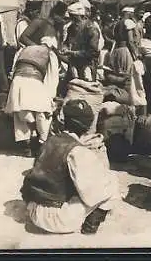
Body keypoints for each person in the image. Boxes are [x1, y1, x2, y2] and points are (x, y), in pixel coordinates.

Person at [20, 99, 120, 234]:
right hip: (56, 219)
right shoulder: (77, 151)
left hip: (34, 210)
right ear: (87, 126)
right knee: (112, 183)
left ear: (64, 120)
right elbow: (91, 195)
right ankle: (90, 225)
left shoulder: (50, 140)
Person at [60, 2, 101, 82]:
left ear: (80, 16)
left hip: (87, 66)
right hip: (74, 65)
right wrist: (65, 48)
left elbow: (93, 52)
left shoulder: (91, 29)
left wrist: (72, 53)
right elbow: (67, 42)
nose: (72, 19)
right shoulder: (71, 28)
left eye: (74, 17)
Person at [11, 1, 43, 75]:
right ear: (31, 12)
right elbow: (22, 41)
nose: (39, 15)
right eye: (37, 12)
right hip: (23, 55)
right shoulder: (23, 23)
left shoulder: (31, 24)